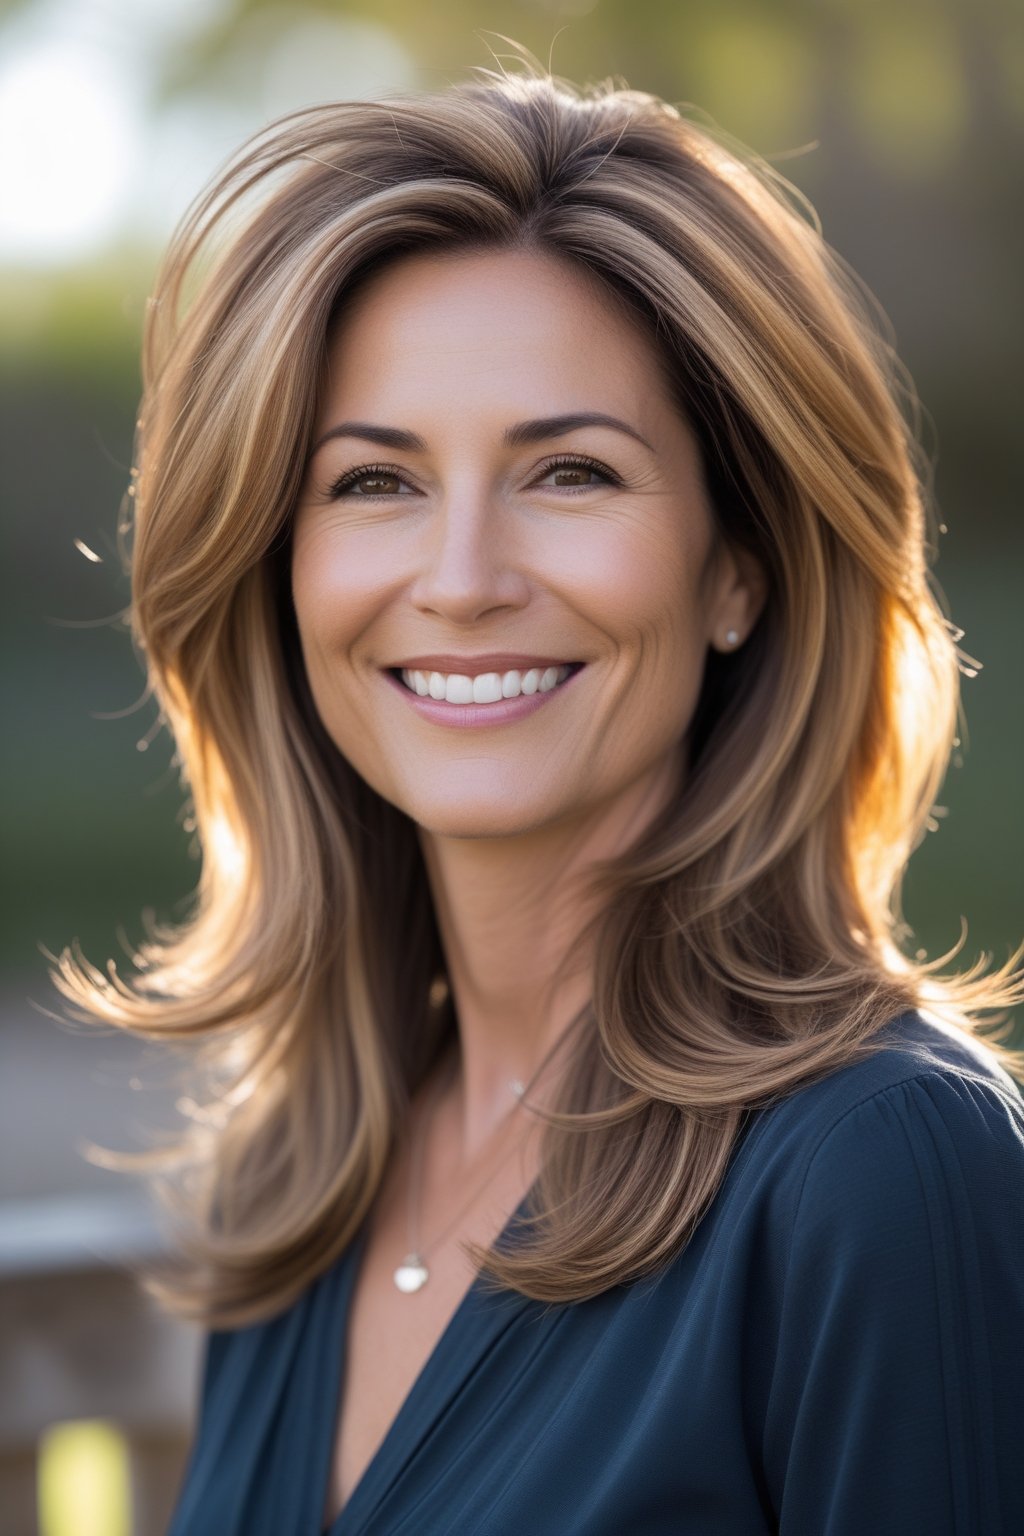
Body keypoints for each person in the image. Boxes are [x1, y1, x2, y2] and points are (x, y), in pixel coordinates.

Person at [53, 54, 1024, 1536]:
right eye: (374, 484)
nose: (462, 581)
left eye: (569, 473)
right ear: (279, 567)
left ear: (738, 565)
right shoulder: (311, 1168)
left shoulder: (882, 1173)